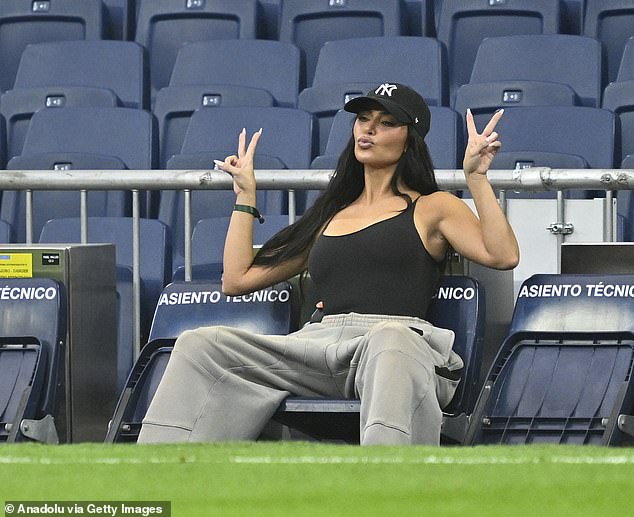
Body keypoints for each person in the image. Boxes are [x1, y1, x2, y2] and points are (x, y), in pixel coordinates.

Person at [138, 83, 519, 445]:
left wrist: (476, 178)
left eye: (386, 123)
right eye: (363, 119)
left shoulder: (432, 206)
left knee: (391, 341)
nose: (368, 130)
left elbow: (502, 255)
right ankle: (162, 481)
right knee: (200, 344)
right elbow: (237, 279)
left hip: (395, 344)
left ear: (409, 142)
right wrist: (245, 196)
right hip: (320, 345)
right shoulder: (330, 213)